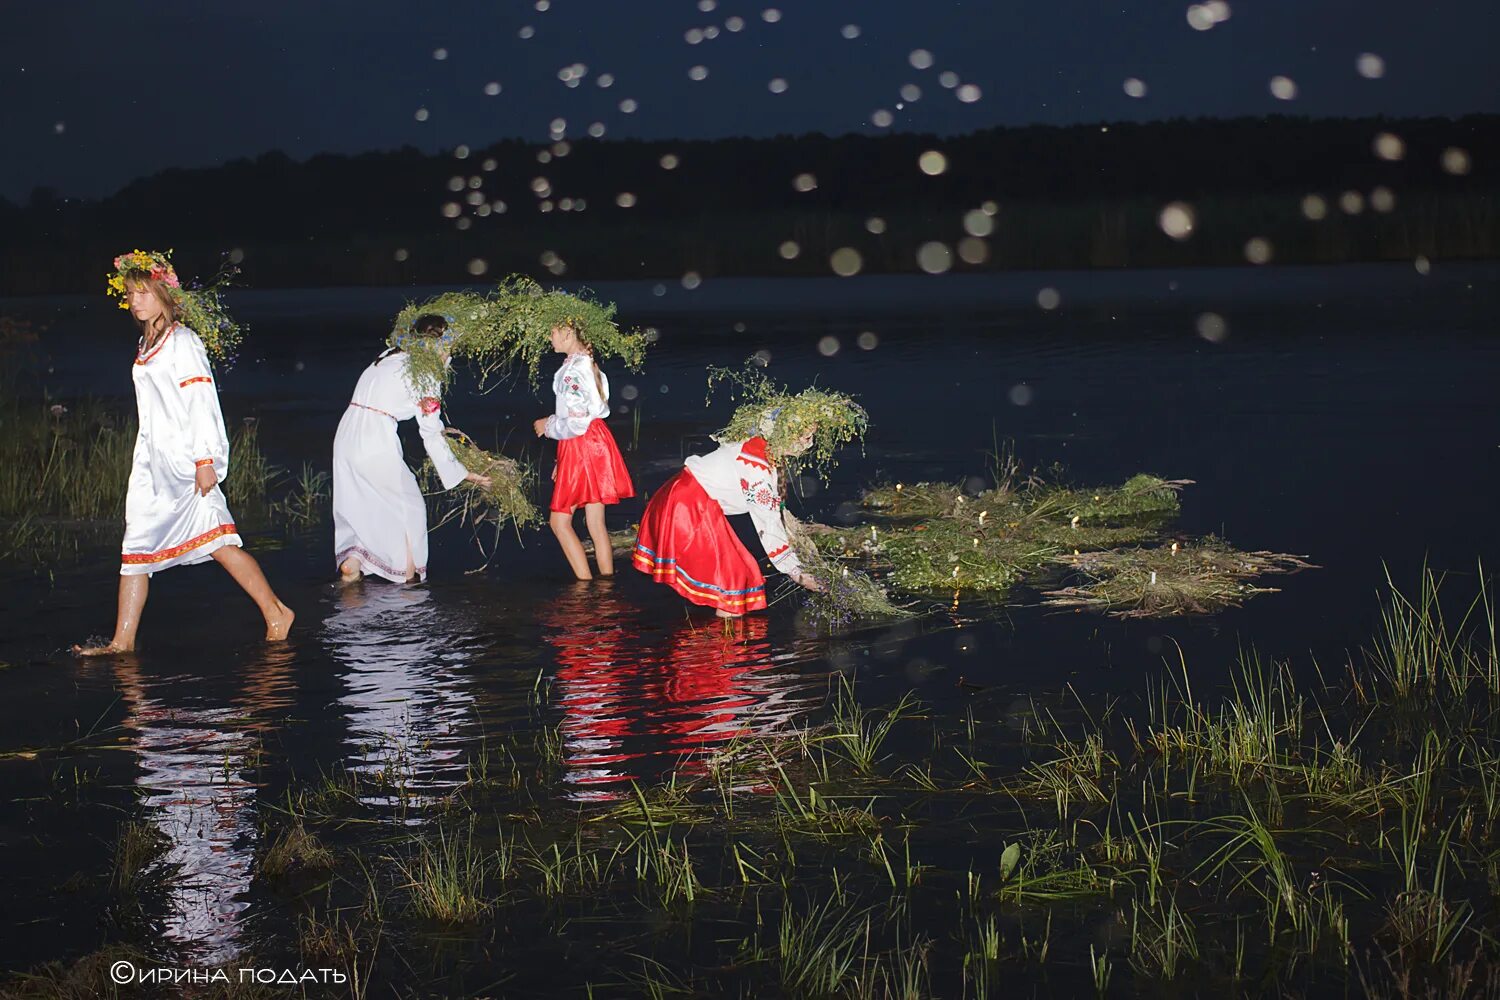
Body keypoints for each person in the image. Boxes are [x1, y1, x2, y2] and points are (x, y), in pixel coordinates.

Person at [75, 251, 293, 655]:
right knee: (135, 547)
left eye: (143, 293)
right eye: (130, 294)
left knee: (218, 540)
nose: (135, 301)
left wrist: (205, 459)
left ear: (162, 293)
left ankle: (276, 611)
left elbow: (201, 401)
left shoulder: (183, 341)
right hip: (151, 463)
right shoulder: (146, 342)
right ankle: (121, 641)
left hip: (186, 461)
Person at [332, 314, 490, 583]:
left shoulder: (388, 356)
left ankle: (353, 562)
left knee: (363, 502)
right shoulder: (425, 374)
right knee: (409, 509)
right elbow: (431, 431)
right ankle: (408, 580)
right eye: (448, 348)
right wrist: (463, 473)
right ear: (439, 344)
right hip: (375, 439)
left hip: (346, 435)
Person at [632, 428, 821, 617]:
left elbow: (776, 512)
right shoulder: (756, 468)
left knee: (737, 578)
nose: (809, 443)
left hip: (690, 499)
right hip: (687, 507)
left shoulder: (758, 446)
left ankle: (720, 638)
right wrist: (797, 573)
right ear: (784, 433)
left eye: (812, 437)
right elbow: (769, 525)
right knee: (734, 580)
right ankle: (724, 642)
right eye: (805, 437)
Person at [532, 321, 634, 580]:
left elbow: (577, 423)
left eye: (553, 331)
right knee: (595, 523)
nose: (550, 336)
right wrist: (561, 459)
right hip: (596, 442)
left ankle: (585, 587)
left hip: (582, 446)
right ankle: (607, 587)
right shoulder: (589, 364)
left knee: (559, 522)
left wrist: (549, 426)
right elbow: (594, 412)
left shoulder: (572, 372)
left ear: (568, 333)